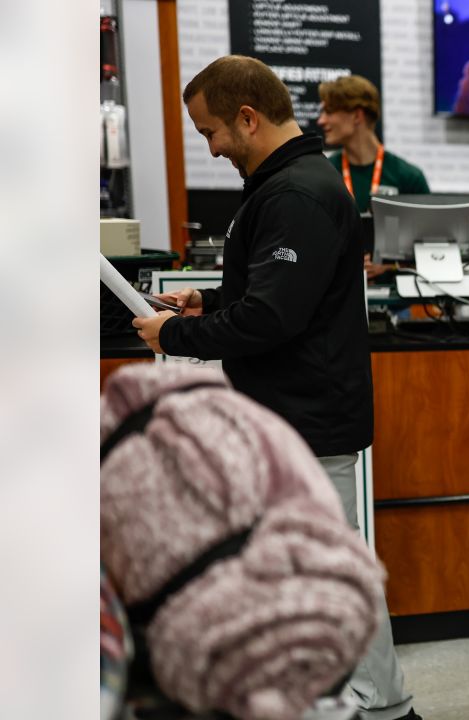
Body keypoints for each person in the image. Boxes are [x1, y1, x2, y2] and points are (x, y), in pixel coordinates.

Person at [130, 55, 420, 720]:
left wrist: (175, 339)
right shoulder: (285, 185)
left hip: (308, 424)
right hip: (288, 421)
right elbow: (275, 294)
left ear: (248, 118)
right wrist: (209, 302)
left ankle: (387, 708)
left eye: (210, 132)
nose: (210, 147)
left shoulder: (296, 193)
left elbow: (273, 317)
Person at [318, 74, 429, 216]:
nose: (321, 121)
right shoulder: (325, 175)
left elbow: (425, 234)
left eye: (329, 112)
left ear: (357, 116)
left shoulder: (409, 179)